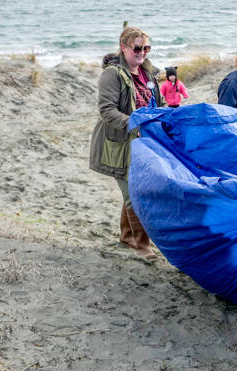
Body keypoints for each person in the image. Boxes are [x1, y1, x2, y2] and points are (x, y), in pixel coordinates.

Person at [89, 26, 164, 260]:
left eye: (146, 48)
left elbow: (157, 105)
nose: (142, 53)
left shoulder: (149, 73)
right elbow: (106, 111)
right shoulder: (112, 74)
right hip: (118, 144)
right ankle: (142, 245)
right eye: (137, 48)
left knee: (132, 189)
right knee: (135, 191)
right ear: (123, 47)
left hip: (144, 144)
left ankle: (126, 235)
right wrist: (135, 124)